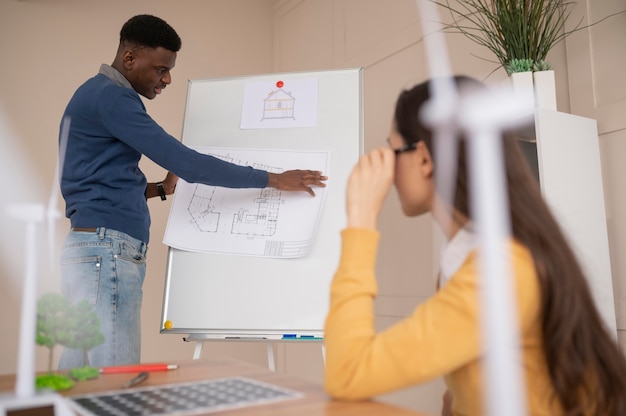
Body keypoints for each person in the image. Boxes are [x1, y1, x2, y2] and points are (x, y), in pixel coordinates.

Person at [323, 76, 626, 415]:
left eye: (392, 151)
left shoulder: (498, 271)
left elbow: (346, 373)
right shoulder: (471, 256)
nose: (388, 170)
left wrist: (361, 219)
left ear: (423, 158)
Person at [58, 14, 327, 369]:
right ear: (129, 59)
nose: (166, 78)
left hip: (91, 250)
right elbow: (189, 163)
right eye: (160, 69)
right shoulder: (113, 99)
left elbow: (97, 185)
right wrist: (275, 179)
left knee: (78, 379)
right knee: (114, 381)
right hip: (105, 253)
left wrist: (160, 188)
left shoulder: (93, 94)